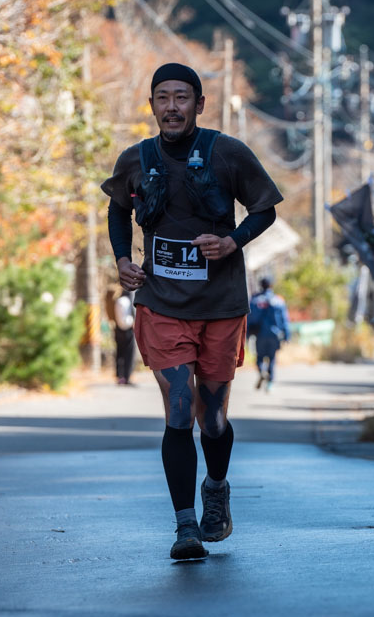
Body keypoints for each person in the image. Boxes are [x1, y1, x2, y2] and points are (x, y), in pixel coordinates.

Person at [102, 63, 283, 559]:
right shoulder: (136, 158)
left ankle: (216, 489)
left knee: (213, 418)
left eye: (182, 97)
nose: (172, 107)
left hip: (221, 306)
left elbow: (265, 208)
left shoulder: (227, 153)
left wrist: (231, 242)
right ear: (152, 105)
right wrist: (122, 259)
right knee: (179, 408)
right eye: (163, 97)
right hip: (162, 303)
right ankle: (185, 526)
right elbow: (118, 208)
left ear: (199, 104)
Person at [247, 277, 291, 392]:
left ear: (260, 285)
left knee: (259, 357)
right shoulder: (279, 300)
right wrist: (287, 335)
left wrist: (246, 335)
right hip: (275, 335)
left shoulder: (254, 300)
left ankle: (262, 371)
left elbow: (249, 318)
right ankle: (270, 382)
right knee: (272, 358)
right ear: (271, 285)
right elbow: (284, 320)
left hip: (259, 334)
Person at [113, 290, 136, 385]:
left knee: (119, 354)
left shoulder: (118, 300)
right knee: (129, 354)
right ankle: (127, 377)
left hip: (118, 329)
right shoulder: (128, 301)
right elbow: (129, 318)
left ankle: (119, 376)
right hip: (128, 330)